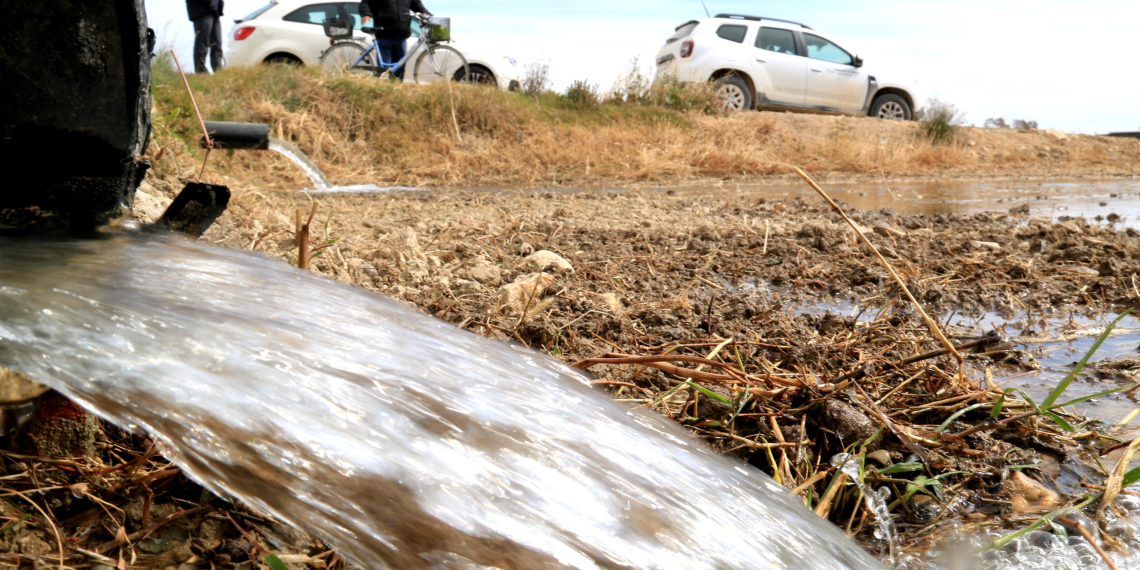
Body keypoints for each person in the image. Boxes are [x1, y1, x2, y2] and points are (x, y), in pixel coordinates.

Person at [358, 0, 431, 78]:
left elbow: (416, 3)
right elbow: (365, 2)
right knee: (385, 70)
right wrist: (365, 13)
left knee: (399, 69)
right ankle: (383, 87)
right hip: (384, 35)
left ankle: (397, 87)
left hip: (401, 37)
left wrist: (423, 11)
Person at [187, 0, 225, 74]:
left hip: (214, 11)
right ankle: (200, 71)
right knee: (202, 42)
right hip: (201, 11)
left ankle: (218, 69)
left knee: (217, 43)